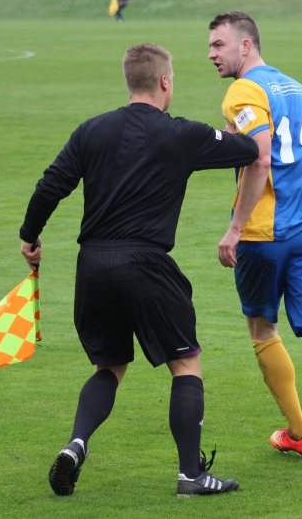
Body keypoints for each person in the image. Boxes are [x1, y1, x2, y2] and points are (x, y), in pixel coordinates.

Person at [19, 42, 258, 497]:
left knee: (109, 366)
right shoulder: (182, 134)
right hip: (146, 263)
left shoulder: (91, 131)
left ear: (129, 81)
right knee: (185, 363)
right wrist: (236, 124)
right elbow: (248, 150)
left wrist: (29, 236)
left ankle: (75, 444)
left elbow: (51, 186)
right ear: (165, 81)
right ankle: (190, 475)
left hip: (92, 265)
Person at [207, 11, 302, 478]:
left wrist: (235, 229)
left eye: (219, 45)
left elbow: (260, 159)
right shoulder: (300, 90)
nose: (211, 54)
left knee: (262, 330)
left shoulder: (242, 92)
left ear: (245, 45)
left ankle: (298, 432)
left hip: (261, 238)